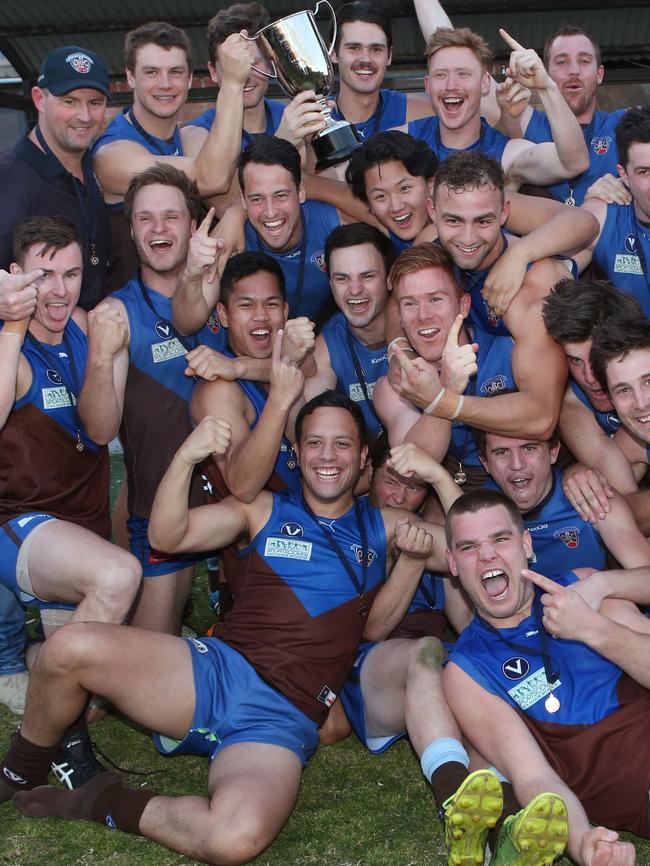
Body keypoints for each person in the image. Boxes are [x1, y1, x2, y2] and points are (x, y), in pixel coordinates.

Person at [0, 393, 451, 865]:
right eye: (314, 442)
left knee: (233, 839)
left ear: (362, 458)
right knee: (70, 647)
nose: (328, 455)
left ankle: (95, 800)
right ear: (295, 453)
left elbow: (476, 549)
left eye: (342, 444)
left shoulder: (386, 525)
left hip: (280, 718)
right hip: (215, 673)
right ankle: (20, 770)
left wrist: (439, 478)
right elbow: (166, 536)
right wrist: (187, 457)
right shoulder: (261, 509)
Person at [0, 216, 141, 784]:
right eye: (43, 275)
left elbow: (102, 428)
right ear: (16, 277)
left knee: (90, 688)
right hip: (17, 528)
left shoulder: (88, 328)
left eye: (72, 274)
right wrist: (12, 325)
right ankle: (49, 752)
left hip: (77, 533)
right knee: (117, 577)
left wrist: (105, 356)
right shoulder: (12, 339)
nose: (58, 290)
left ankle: (30, 667)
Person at [443, 488, 644, 863]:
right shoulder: (466, 670)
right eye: (469, 547)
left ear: (526, 543)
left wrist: (594, 629)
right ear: (452, 564)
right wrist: (584, 843)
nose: (487, 554)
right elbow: (534, 776)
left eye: (500, 539)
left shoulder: (580, 586)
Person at [76, 165, 227, 636]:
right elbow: (100, 432)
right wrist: (100, 357)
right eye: (145, 218)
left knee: (260, 645)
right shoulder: (117, 313)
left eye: (170, 216)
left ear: (193, 224)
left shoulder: (223, 283)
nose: (158, 229)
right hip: (165, 512)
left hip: (236, 500)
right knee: (144, 656)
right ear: (132, 228)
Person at [375, 243, 566, 490]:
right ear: (399, 314)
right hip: (463, 486)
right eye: (410, 304)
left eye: (435, 299)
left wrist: (443, 401)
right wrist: (449, 388)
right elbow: (414, 473)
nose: (423, 315)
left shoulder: (509, 350)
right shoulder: (395, 382)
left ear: (464, 306)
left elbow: (542, 419)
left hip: (533, 479)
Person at [404, 27, 588, 190]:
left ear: (485, 84)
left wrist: (547, 87)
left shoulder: (507, 154)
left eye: (463, 74)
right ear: (428, 85)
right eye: (441, 75)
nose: (451, 85)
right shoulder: (401, 142)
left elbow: (574, 163)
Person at [0, 45, 111, 309]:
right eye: (69, 101)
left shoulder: (95, 165)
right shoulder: (8, 177)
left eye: (94, 102)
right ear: (39, 99)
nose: (84, 116)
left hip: (87, 338)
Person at [476, 429, 650, 575]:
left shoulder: (591, 496)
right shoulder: (477, 515)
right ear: (485, 463)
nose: (517, 464)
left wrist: (598, 584)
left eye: (529, 448)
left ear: (553, 452)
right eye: (502, 452)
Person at [541, 279, 642, 495]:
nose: (589, 377)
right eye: (575, 361)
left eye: (597, 358)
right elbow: (624, 500)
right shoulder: (573, 406)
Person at [305, 223, 395, 436]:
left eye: (367, 276)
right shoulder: (326, 345)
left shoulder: (419, 322)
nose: (355, 289)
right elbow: (307, 427)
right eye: (342, 278)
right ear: (330, 284)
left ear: (390, 278)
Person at [577, 107, 650, 316]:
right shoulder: (605, 215)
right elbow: (554, 272)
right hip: (628, 344)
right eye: (644, 172)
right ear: (624, 175)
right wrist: (520, 254)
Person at [329, 1, 433, 139]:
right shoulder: (314, 121)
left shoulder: (421, 112)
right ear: (333, 53)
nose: (366, 59)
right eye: (354, 48)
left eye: (376, 49)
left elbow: (451, 53)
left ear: (389, 56)